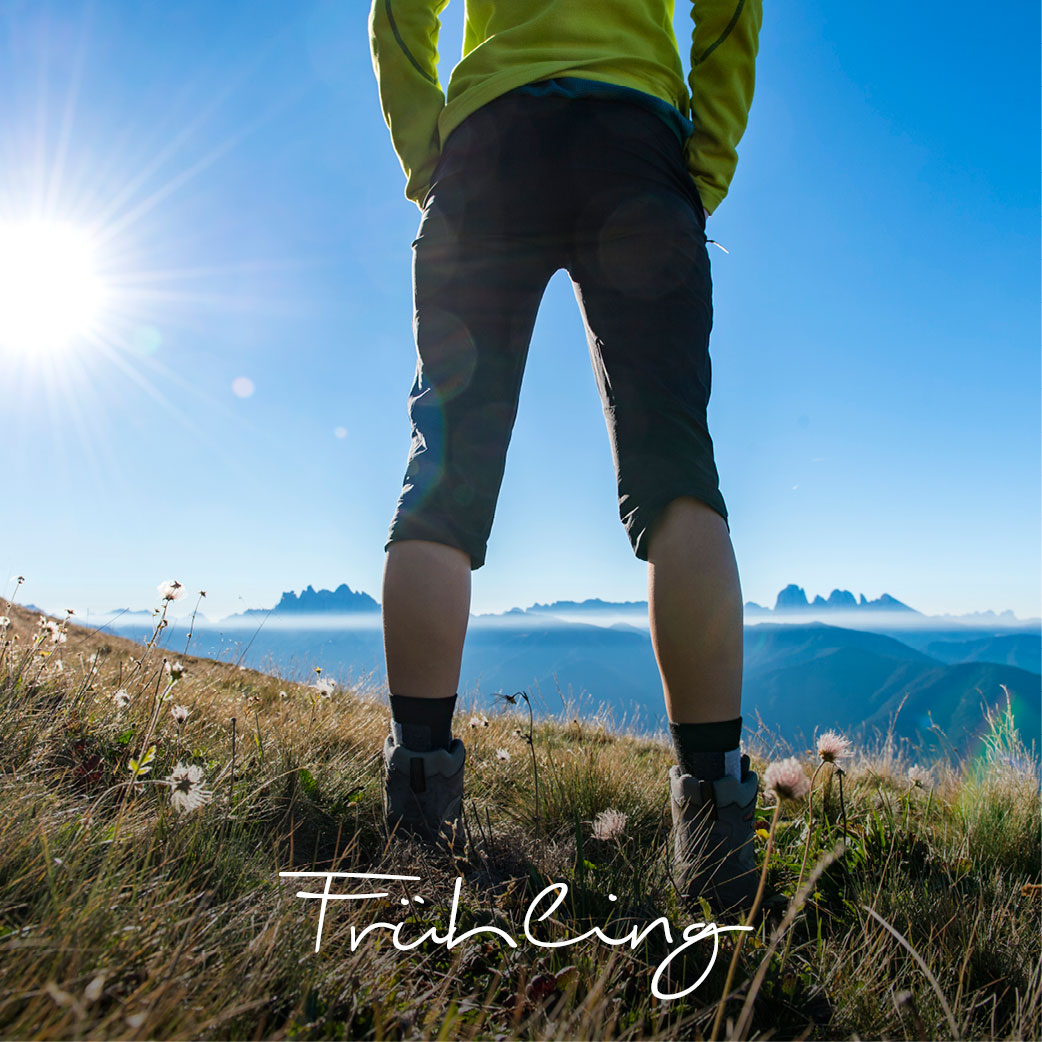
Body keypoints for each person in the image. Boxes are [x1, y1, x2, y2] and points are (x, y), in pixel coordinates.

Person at [369, 0, 763, 914]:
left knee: (445, 464)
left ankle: (418, 813)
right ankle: (714, 844)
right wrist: (703, 163)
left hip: (486, 141)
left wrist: (430, 148)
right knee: (677, 475)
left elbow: (398, 9)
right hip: (633, 136)